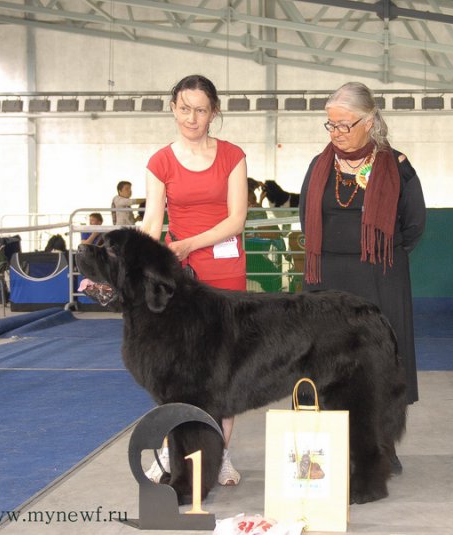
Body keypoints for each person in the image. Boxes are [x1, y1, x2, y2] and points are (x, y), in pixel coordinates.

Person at [299, 81, 427, 472]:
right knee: (327, 366)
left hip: (379, 278)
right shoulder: (318, 166)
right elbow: (305, 217)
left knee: (379, 365)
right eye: (331, 125)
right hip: (326, 280)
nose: (336, 133)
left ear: (369, 122)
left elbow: (414, 225)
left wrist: (379, 253)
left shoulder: (398, 167)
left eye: (344, 125)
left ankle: (382, 448)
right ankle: (328, 450)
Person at [140, 74, 248, 487]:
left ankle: (221, 456)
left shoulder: (233, 156)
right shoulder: (160, 162)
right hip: (179, 280)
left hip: (224, 273)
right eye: (184, 108)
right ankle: (172, 452)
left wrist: (188, 244)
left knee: (224, 370)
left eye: (200, 110)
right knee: (178, 371)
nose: (191, 117)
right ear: (173, 108)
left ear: (213, 112)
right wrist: (144, 266)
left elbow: (236, 219)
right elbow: (153, 221)